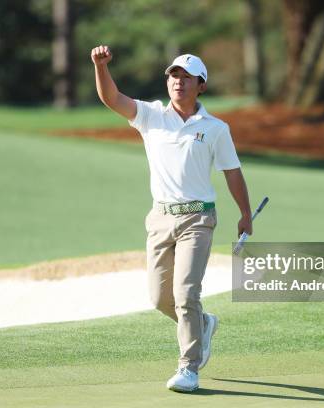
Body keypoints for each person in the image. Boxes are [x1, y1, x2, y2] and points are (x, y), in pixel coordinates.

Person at [91, 45, 252, 392]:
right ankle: (203, 324)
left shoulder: (215, 128)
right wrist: (101, 67)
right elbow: (111, 98)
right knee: (159, 298)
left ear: (201, 86)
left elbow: (232, 172)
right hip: (160, 218)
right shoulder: (152, 116)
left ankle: (189, 368)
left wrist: (244, 213)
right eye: (173, 75)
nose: (178, 81)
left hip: (198, 219)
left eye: (186, 77)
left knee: (185, 293)